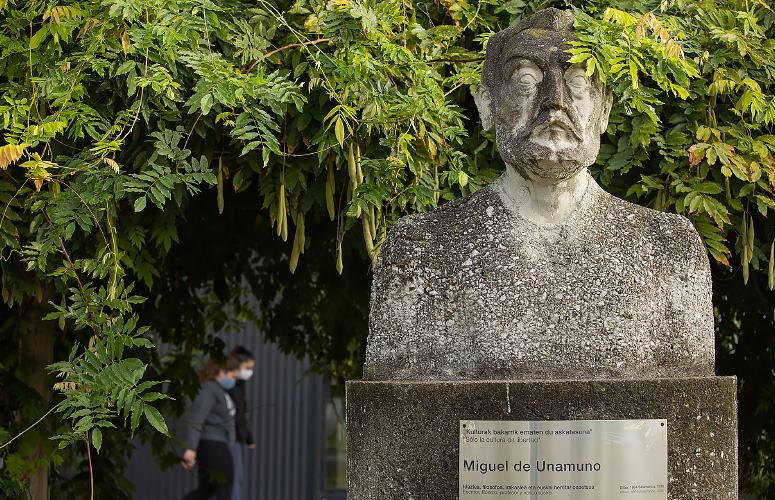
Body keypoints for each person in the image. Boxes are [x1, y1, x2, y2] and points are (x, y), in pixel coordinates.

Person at [364, 8, 714, 381]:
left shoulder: (669, 249)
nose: (554, 100)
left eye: (578, 82)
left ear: (604, 110)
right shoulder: (423, 250)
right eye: (527, 80)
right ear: (487, 105)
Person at [181, 355, 240, 500]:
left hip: (218, 444)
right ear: (221, 371)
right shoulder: (208, 390)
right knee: (224, 489)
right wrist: (190, 448)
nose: (233, 381)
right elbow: (197, 418)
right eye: (232, 376)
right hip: (213, 445)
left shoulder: (218, 390)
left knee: (206, 490)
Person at [226, 346, 255, 500]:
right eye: (248, 368)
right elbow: (237, 414)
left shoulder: (239, 385)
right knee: (233, 481)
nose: (250, 372)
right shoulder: (229, 386)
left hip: (234, 438)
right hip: (229, 438)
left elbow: (240, 413)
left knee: (233, 481)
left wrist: (247, 436)